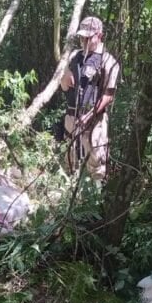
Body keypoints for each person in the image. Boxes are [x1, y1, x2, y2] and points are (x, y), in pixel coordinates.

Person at [60, 16, 120, 182]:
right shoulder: (74, 56)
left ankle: (96, 200)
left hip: (94, 121)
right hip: (72, 117)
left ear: (99, 35)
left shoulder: (108, 61)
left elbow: (109, 95)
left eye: (88, 37)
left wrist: (90, 115)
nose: (84, 40)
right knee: (70, 159)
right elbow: (64, 87)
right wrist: (65, 77)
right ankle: (70, 197)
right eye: (82, 37)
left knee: (97, 163)